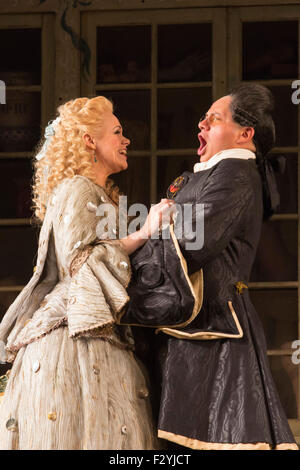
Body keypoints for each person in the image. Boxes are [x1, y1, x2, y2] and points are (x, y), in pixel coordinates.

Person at [120, 84, 298, 450]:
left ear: (244, 134)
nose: (200, 124)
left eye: (213, 119)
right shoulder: (214, 174)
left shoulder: (233, 173)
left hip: (210, 338)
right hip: (193, 332)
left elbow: (188, 245)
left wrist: (119, 261)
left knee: (199, 444)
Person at [0, 96, 172, 450]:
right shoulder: (78, 188)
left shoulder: (98, 194)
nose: (126, 141)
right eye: (117, 132)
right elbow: (82, 262)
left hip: (95, 334)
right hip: (72, 340)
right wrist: (144, 231)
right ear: (89, 140)